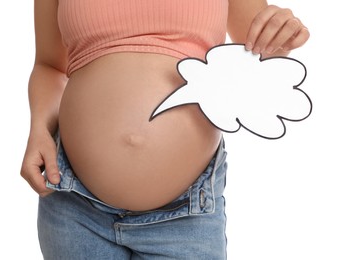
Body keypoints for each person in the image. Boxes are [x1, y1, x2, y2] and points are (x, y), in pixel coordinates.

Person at [21, 0, 309, 259]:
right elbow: (49, 67)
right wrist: (38, 129)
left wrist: (283, 33)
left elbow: (262, 59)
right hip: (76, 206)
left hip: (185, 214)